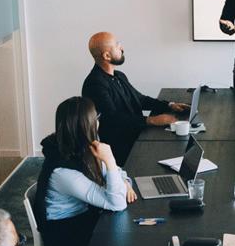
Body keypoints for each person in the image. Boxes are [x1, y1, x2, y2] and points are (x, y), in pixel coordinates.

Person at [34, 97, 136, 246]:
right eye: (96, 118)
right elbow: (117, 203)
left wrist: (123, 181)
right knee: (132, 241)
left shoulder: (79, 147)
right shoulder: (63, 172)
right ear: (88, 125)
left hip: (84, 219)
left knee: (134, 229)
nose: (98, 122)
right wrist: (109, 160)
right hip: (66, 239)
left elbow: (120, 173)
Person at [81, 31, 188, 161]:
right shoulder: (94, 84)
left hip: (136, 136)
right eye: (117, 46)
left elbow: (139, 99)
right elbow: (114, 119)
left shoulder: (119, 76)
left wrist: (169, 105)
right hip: (121, 148)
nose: (122, 48)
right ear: (107, 56)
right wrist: (152, 120)